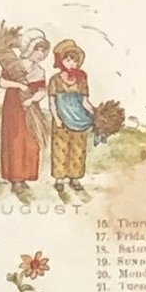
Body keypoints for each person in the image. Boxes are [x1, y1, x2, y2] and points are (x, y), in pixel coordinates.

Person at [0, 29, 50, 195]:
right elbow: (2, 82)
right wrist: (19, 85)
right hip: (14, 107)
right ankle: (16, 179)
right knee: (15, 141)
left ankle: (26, 176)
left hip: (30, 108)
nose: (41, 54)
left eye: (43, 51)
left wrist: (32, 100)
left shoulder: (39, 71)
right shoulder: (15, 65)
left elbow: (42, 91)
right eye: (38, 50)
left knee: (31, 142)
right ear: (29, 49)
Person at [48, 38, 95, 193]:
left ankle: (75, 178)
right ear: (61, 61)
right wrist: (56, 118)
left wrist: (96, 115)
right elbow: (52, 102)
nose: (72, 64)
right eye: (68, 60)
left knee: (78, 148)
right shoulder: (55, 80)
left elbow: (85, 101)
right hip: (61, 120)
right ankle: (59, 179)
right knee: (60, 149)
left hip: (79, 119)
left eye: (74, 61)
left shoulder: (81, 79)